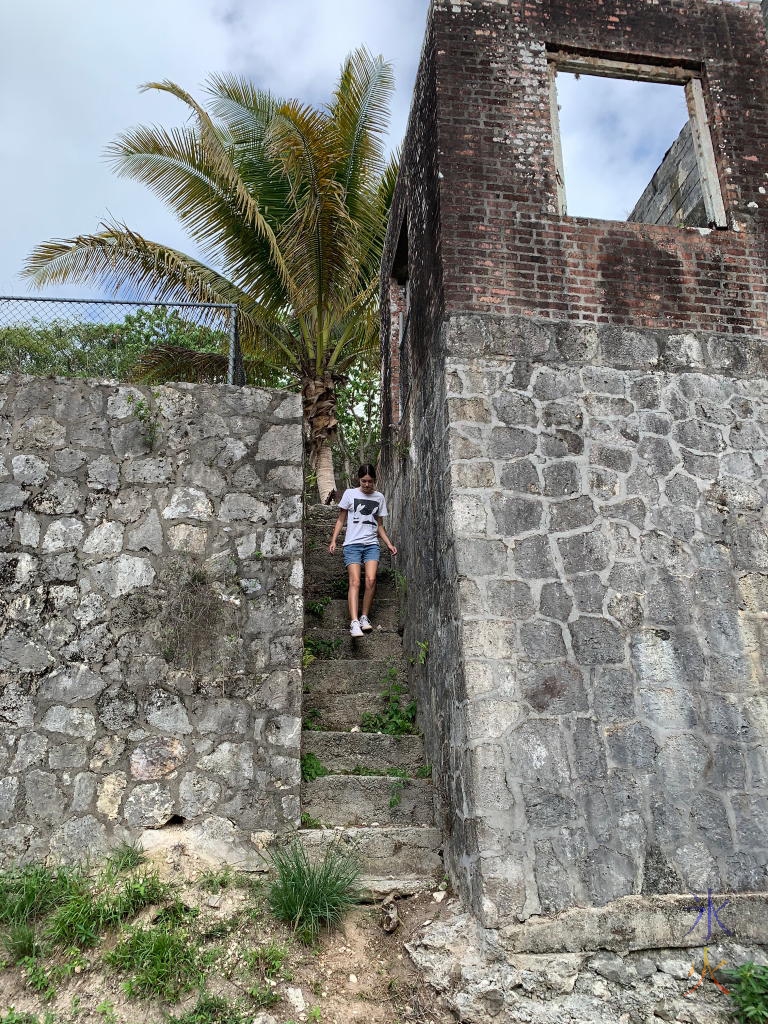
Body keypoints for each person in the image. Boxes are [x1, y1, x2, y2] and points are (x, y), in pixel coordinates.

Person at [328, 464, 397, 637]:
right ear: (359, 479)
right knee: (355, 582)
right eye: (364, 481)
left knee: (371, 580)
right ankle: (354, 622)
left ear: (375, 480)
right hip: (352, 545)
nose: (367, 485)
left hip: (371, 544)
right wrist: (334, 540)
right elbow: (340, 519)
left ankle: (364, 616)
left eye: (370, 481)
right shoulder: (350, 494)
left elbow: (379, 525)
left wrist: (388, 543)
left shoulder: (379, 497)